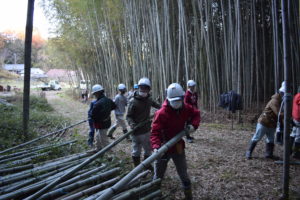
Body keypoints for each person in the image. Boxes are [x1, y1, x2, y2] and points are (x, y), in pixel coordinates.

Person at [151, 83, 200, 200]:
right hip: (163, 147)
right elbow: (154, 132)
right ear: (168, 99)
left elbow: (196, 114)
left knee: (183, 173)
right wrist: (156, 146)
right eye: (174, 100)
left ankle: (188, 196)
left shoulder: (185, 108)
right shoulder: (161, 113)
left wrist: (193, 125)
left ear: (182, 98)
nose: (176, 103)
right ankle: (155, 194)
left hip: (178, 145)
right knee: (158, 175)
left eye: (179, 100)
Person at [245, 81, 285, 159]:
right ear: (281, 93)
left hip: (272, 123)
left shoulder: (280, 102)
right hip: (264, 122)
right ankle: (249, 152)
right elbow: (279, 113)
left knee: (270, 139)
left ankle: (268, 154)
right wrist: (288, 116)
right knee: (257, 137)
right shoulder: (275, 101)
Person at [126, 77, 161, 167]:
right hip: (136, 131)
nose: (143, 89)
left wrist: (165, 108)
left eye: (145, 88)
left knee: (148, 148)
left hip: (146, 129)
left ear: (149, 89)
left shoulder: (149, 99)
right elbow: (128, 116)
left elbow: (158, 106)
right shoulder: (132, 101)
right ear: (138, 88)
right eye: (141, 87)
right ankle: (137, 167)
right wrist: (132, 124)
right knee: (136, 149)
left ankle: (146, 165)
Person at [90, 84, 116, 150]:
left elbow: (92, 115)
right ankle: (98, 148)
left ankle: (109, 154)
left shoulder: (97, 104)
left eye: (95, 94)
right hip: (107, 121)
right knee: (98, 136)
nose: (94, 95)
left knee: (104, 140)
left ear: (97, 93)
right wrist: (106, 112)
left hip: (101, 124)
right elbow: (114, 106)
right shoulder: (108, 100)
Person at [291, 86, 300, 159]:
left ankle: (289, 150)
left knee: (293, 134)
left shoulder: (296, 95)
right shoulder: (299, 96)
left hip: (295, 118)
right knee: (298, 137)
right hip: (298, 119)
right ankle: (296, 153)